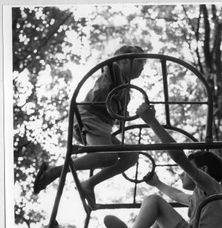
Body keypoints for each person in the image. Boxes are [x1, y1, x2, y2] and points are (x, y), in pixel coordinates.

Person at [103, 103, 222, 228]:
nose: (181, 173)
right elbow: (177, 194)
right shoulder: (206, 198)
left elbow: (178, 156)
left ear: (202, 170)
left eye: (187, 170)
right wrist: (157, 183)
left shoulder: (211, 185)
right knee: (158, 219)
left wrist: (151, 121)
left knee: (153, 201)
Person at [33, 45, 146, 209]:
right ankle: (55, 171)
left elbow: (119, 113)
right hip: (90, 118)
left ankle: (89, 184)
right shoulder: (114, 71)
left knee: (131, 156)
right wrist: (119, 59)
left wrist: (124, 115)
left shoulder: (126, 90)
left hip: (102, 125)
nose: (142, 67)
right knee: (108, 157)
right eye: (140, 62)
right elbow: (111, 65)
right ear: (124, 61)